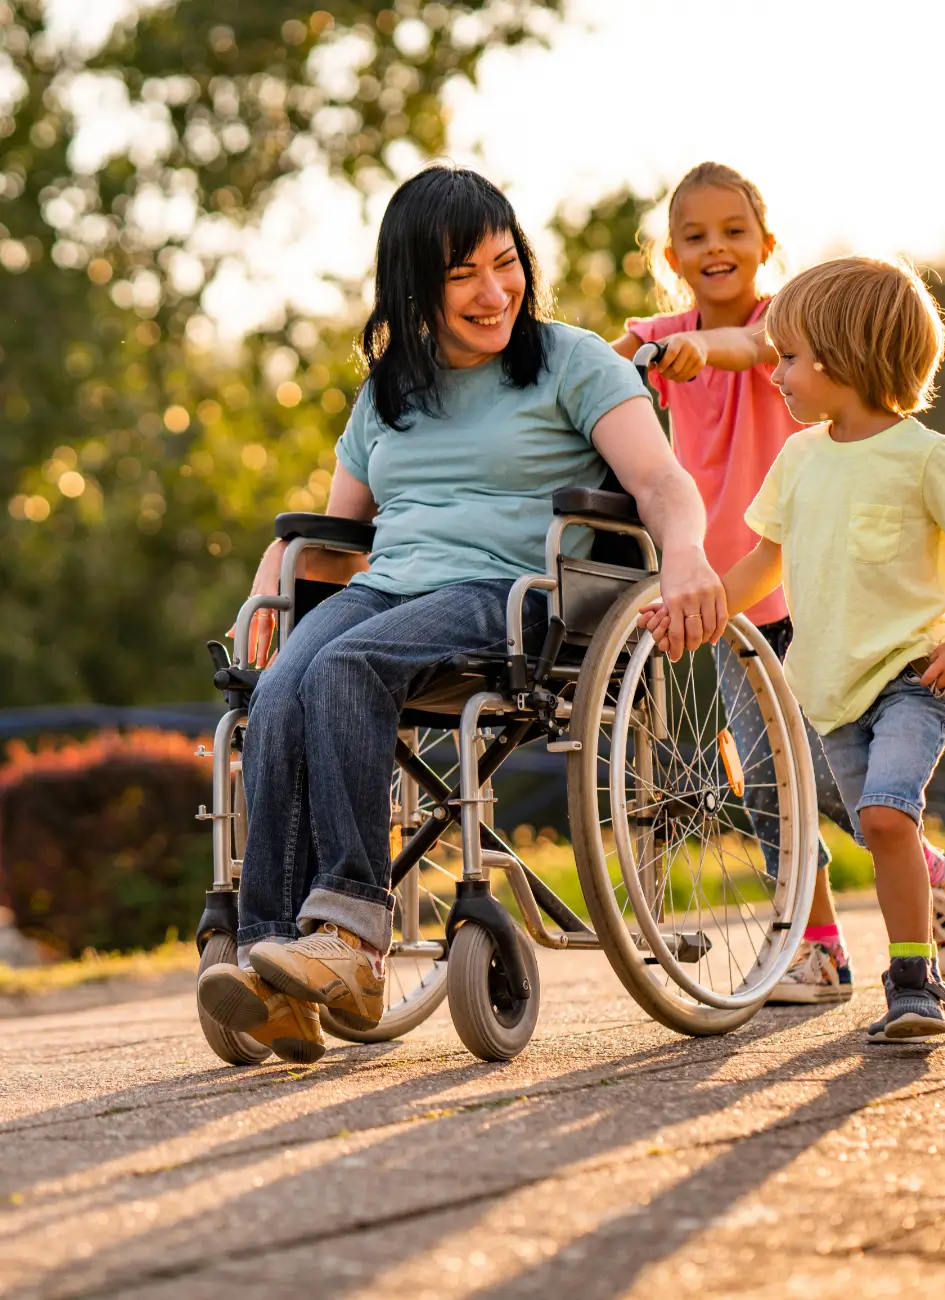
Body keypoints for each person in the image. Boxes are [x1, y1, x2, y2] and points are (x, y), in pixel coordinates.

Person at [197, 164, 726, 1064]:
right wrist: (269, 579)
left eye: (506, 262)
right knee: (280, 684)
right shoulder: (388, 395)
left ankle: (354, 941)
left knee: (344, 668)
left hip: (514, 594)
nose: (496, 292)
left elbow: (660, 483)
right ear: (413, 289)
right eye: (464, 276)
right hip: (388, 588)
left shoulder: (570, 361)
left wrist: (686, 554)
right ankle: (272, 966)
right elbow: (336, 534)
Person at [613, 163, 945, 1004]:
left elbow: (747, 346)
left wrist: (700, 350)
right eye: (696, 236)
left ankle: (925, 870)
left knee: (854, 793)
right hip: (731, 591)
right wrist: (604, 366)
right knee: (778, 790)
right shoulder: (661, 329)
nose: (717, 248)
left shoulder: (796, 326)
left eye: (734, 231)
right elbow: (605, 368)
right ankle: (817, 950)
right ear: (671, 255)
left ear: (766, 244)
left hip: (816, 599)